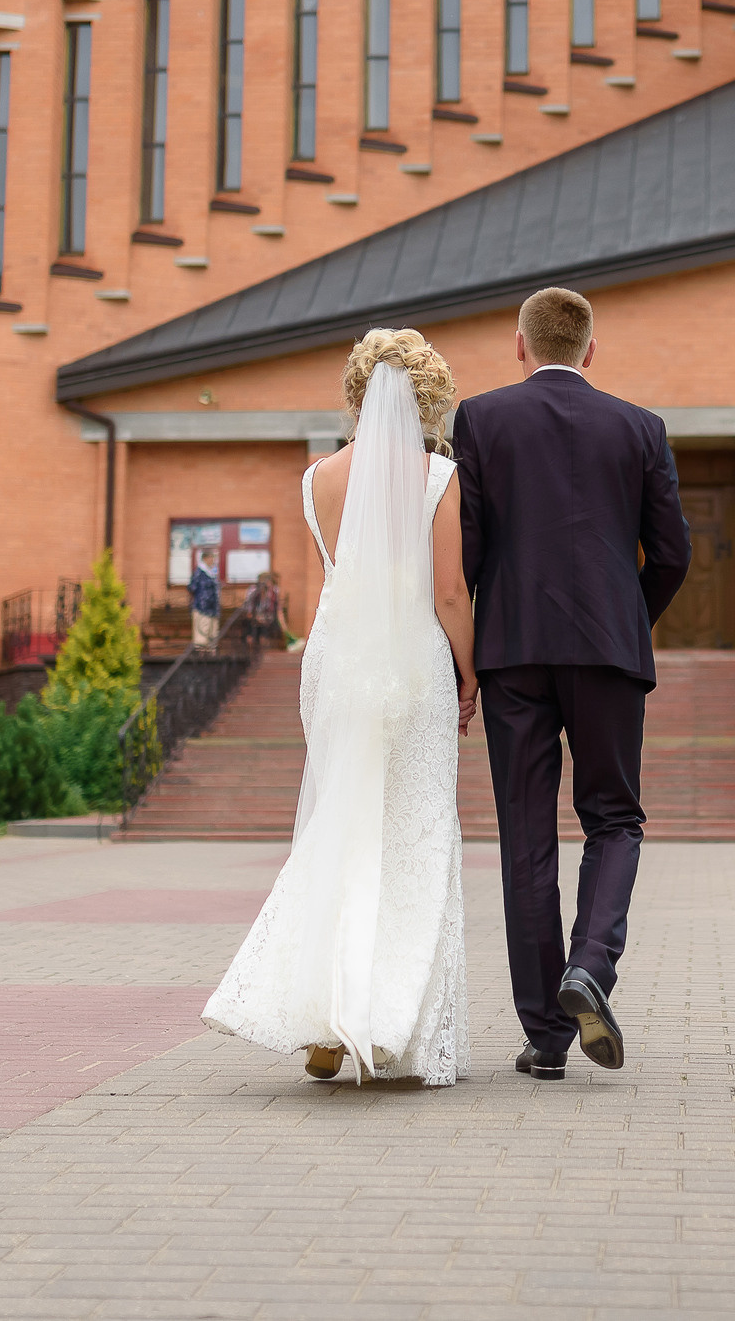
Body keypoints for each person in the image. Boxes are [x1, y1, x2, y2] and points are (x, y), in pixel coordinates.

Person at [203, 329, 475, 1085]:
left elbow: (326, 586)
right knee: (414, 830)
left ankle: (324, 1012)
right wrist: (472, 669)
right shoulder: (434, 476)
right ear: (422, 397)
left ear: (356, 392)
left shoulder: (315, 475)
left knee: (344, 826)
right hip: (413, 658)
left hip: (336, 658)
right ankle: (387, 1021)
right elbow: (449, 591)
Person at [454, 287, 687, 1080]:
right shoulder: (641, 426)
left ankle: (546, 1035)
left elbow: (468, 546)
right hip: (608, 650)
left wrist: (469, 648)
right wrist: (629, 615)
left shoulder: (480, 419)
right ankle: (591, 963)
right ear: (591, 349)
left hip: (513, 649)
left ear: (519, 344)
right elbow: (675, 551)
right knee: (614, 819)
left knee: (525, 835)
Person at [189, 553, 221, 651]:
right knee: (202, 635)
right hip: (202, 608)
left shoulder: (211, 573)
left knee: (212, 634)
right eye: (211, 558)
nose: (213, 561)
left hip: (212, 609)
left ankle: (211, 654)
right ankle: (201, 657)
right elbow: (192, 587)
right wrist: (204, 597)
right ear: (205, 559)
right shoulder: (199, 572)